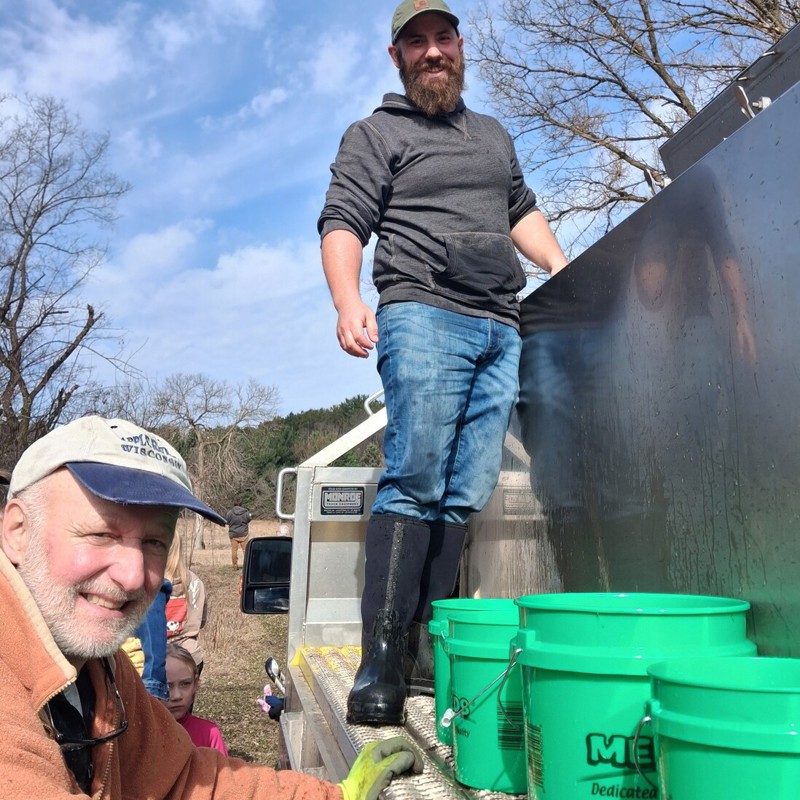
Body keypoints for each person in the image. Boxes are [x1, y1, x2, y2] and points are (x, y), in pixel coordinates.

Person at [317, 0, 568, 726]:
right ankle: (380, 666)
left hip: (501, 325)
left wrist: (563, 268)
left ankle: (425, 657)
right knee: (416, 475)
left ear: (460, 48)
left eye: (443, 38)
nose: (433, 52)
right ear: (396, 57)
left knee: (466, 490)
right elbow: (343, 219)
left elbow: (519, 209)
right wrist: (346, 298)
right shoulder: (377, 133)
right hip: (423, 313)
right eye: (416, 42)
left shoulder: (491, 135)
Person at [0, 414, 422, 799]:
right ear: (17, 530)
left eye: (154, 543)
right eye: (101, 534)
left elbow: (186, 780)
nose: (133, 576)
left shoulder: (98, 669)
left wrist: (334, 797)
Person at [166, 642, 228, 755]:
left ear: (195, 684)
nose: (176, 696)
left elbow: (224, 772)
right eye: (167, 686)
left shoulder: (209, 733)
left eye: (185, 684)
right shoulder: (141, 736)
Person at [165, 532, 208, 673]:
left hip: (154, 662)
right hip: (191, 657)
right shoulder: (196, 582)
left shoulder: (147, 583)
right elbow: (201, 621)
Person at [225, 502, 251, 570]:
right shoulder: (246, 512)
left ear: (234, 505)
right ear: (241, 505)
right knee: (246, 551)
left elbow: (226, 521)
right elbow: (249, 520)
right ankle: (247, 566)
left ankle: (235, 565)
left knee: (234, 550)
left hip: (233, 534)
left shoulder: (230, 513)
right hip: (243, 534)